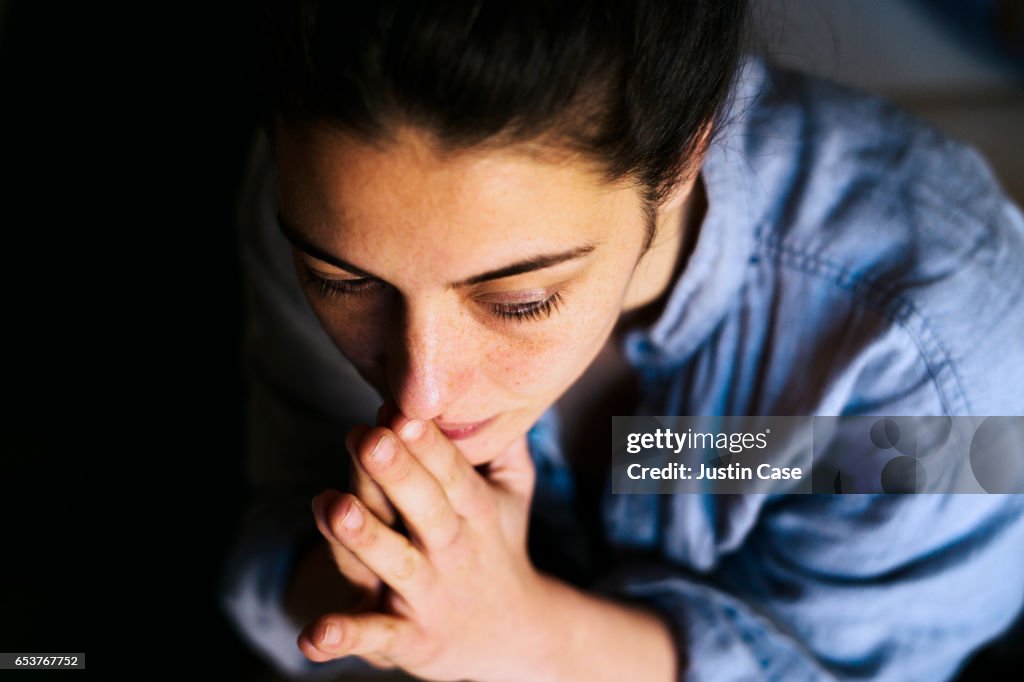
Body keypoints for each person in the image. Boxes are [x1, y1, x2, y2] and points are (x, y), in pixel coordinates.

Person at [219, 1, 1024, 680]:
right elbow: (278, 529)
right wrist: (378, 586)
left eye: (522, 300)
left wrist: (523, 631)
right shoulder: (322, 199)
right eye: (344, 284)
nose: (420, 391)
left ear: (680, 162)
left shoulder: (938, 352)